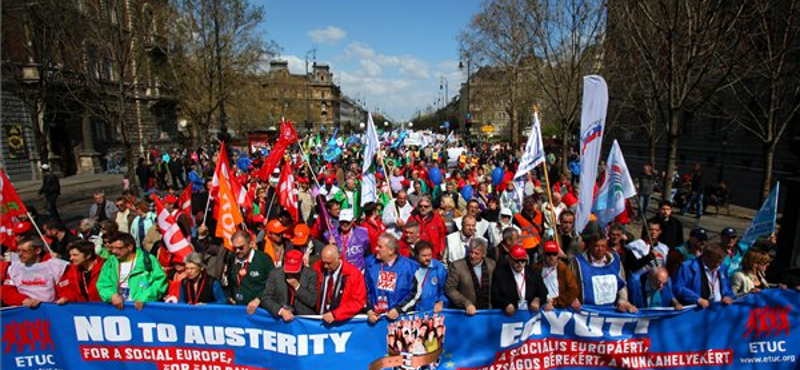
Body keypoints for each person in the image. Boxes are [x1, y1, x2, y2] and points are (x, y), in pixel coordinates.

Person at [97, 233, 167, 310]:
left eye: (118, 248)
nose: (114, 251)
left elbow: (160, 282)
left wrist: (144, 298)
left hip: (142, 309)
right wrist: (112, 295)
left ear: (130, 247)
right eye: (112, 248)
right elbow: (103, 283)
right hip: (118, 309)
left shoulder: (147, 260)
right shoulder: (110, 262)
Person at [570, 234, 637, 313]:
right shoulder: (578, 262)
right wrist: (573, 299)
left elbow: (621, 285)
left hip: (610, 311)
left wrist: (622, 300)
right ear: (590, 246)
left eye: (603, 246)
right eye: (596, 246)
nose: (600, 249)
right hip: (586, 311)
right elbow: (569, 284)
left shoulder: (615, 261)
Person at [365, 234, 420, 324]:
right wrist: (369, 309)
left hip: (400, 321)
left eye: (380, 247)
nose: (376, 249)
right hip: (375, 320)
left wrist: (399, 310)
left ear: (391, 251)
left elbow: (416, 293)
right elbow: (364, 289)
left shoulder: (410, 267)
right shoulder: (370, 264)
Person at [2, 238, 69, 307]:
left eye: (25, 251)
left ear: (37, 250)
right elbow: (7, 291)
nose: (20, 254)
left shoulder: (56, 266)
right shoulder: (14, 268)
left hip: (50, 310)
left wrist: (64, 298)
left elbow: (66, 289)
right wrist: (23, 300)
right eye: (18, 251)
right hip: (24, 309)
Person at [258, 250, 318, 321]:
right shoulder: (275, 274)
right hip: (281, 319)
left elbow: (312, 301)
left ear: (301, 264)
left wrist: (297, 286)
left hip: (303, 320)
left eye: (294, 271)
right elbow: (266, 298)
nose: (291, 274)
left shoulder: (311, 275)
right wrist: (280, 311)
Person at [314, 244, 367, 323]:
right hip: (319, 319)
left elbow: (358, 302)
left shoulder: (353, 274)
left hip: (341, 321)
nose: (325, 266)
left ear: (338, 258)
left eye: (329, 263)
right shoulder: (318, 267)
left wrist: (335, 314)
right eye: (323, 262)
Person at [492, 245, 549, 316]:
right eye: (517, 261)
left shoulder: (533, 272)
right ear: (510, 259)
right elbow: (495, 295)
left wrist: (538, 299)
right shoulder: (500, 274)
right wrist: (505, 304)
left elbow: (543, 291)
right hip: (509, 317)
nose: (520, 264)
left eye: (523, 261)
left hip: (529, 315)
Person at [673, 243, 735, 308]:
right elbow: (678, 288)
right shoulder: (687, 267)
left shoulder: (722, 268)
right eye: (715, 262)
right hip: (698, 312)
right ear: (705, 257)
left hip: (718, 311)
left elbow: (727, 286)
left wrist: (728, 296)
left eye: (720, 262)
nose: (717, 265)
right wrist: (697, 299)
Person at [224, 230, 274, 308]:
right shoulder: (231, 258)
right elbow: (229, 282)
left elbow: (273, 284)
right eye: (234, 248)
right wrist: (229, 296)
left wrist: (259, 299)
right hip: (238, 308)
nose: (237, 251)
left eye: (241, 247)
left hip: (259, 308)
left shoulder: (263, 259)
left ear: (251, 244)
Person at [445, 238, 495, 315]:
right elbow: (450, 289)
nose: (472, 256)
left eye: (476, 253)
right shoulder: (457, 266)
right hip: (465, 313)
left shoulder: (491, 265)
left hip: (486, 312)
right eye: (471, 252)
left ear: (484, 255)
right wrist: (465, 303)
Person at [535, 241, 579, 310]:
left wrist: (555, 301)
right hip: (542, 306)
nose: (551, 257)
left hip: (560, 306)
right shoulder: (536, 268)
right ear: (544, 254)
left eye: (554, 254)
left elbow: (573, 289)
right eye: (548, 254)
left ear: (558, 255)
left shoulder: (563, 269)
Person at [413, 241, 449, 312]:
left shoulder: (438, 268)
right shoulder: (411, 267)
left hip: (433, 312)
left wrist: (441, 302)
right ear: (416, 256)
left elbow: (446, 290)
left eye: (429, 255)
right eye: (424, 256)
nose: (427, 258)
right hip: (414, 312)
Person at [408, 196, 448, 260]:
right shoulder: (411, 219)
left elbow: (442, 235)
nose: (423, 208)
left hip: (434, 254)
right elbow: (406, 236)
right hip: (418, 255)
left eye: (426, 206)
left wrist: (441, 248)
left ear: (430, 207)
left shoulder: (437, 218)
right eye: (421, 206)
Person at [513, 195, 544, 261]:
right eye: (527, 202)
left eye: (531, 202)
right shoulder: (517, 217)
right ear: (523, 204)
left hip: (538, 246)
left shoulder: (540, 215)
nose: (530, 204)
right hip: (525, 248)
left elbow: (542, 229)